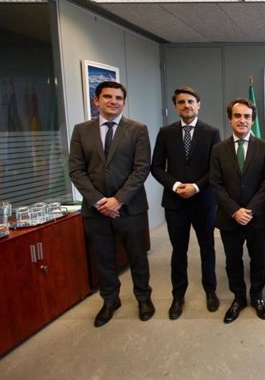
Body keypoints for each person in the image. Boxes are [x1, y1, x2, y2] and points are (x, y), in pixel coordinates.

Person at [69, 81, 155, 327]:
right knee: (103, 258)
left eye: (118, 98)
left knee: (137, 257)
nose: (113, 101)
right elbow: (76, 170)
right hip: (95, 210)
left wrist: (118, 200)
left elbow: (141, 168)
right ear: (97, 101)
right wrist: (98, 201)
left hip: (131, 208)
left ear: (124, 102)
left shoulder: (138, 129)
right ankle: (109, 300)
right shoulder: (81, 131)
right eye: (107, 97)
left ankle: (143, 297)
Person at [151, 86, 221, 320]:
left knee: (207, 249)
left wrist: (196, 187)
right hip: (175, 202)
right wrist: (175, 186)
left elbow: (216, 168)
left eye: (191, 101)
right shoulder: (165, 133)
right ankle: (178, 295)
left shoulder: (212, 132)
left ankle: (210, 291)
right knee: (178, 251)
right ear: (176, 106)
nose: (186, 106)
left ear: (198, 104)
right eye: (181, 102)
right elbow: (156, 166)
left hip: (203, 201)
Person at [210, 98, 265, 324]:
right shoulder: (218, 149)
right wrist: (235, 211)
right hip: (229, 218)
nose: (242, 120)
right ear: (230, 119)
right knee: (233, 260)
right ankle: (238, 298)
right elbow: (215, 183)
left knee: (258, 259)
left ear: (252, 120)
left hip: (257, 217)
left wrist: (249, 210)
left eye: (247, 116)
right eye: (237, 116)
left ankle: (257, 295)